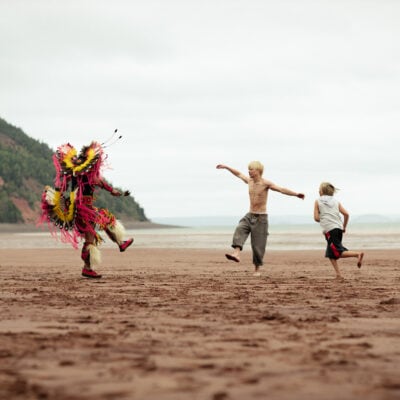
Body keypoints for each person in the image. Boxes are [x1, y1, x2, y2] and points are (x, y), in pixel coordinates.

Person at [40, 141, 133, 279]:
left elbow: (103, 184)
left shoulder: (82, 175)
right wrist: (115, 192)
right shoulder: (84, 176)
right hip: (82, 211)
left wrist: (116, 191)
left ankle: (120, 244)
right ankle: (88, 268)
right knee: (91, 238)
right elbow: (102, 184)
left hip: (85, 209)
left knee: (105, 220)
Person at [216, 161, 304, 276]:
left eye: (251, 169)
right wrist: (227, 167)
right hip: (250, 215)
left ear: (258, 171)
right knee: (240, 229)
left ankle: (257, 270)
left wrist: (296, 194)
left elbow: (281, 189)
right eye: (249, 169)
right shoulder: (249, 181)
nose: (249, 171)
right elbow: (238, 174)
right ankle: (236, 253)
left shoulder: (265, 183)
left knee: (258, 245)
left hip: (261, 218)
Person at [314, 182, 364, 280]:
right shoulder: (336, 201)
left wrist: (324, 218)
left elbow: (316, 218)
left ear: (322, 191)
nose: (318, 191)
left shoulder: (317, 201)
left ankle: (357, 254)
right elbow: (346, 214)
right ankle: (338, 275)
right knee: (330, 253)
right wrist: (344, 227)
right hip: (338, 228)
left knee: (337, 252)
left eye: (319, 189)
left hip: (329, 229)